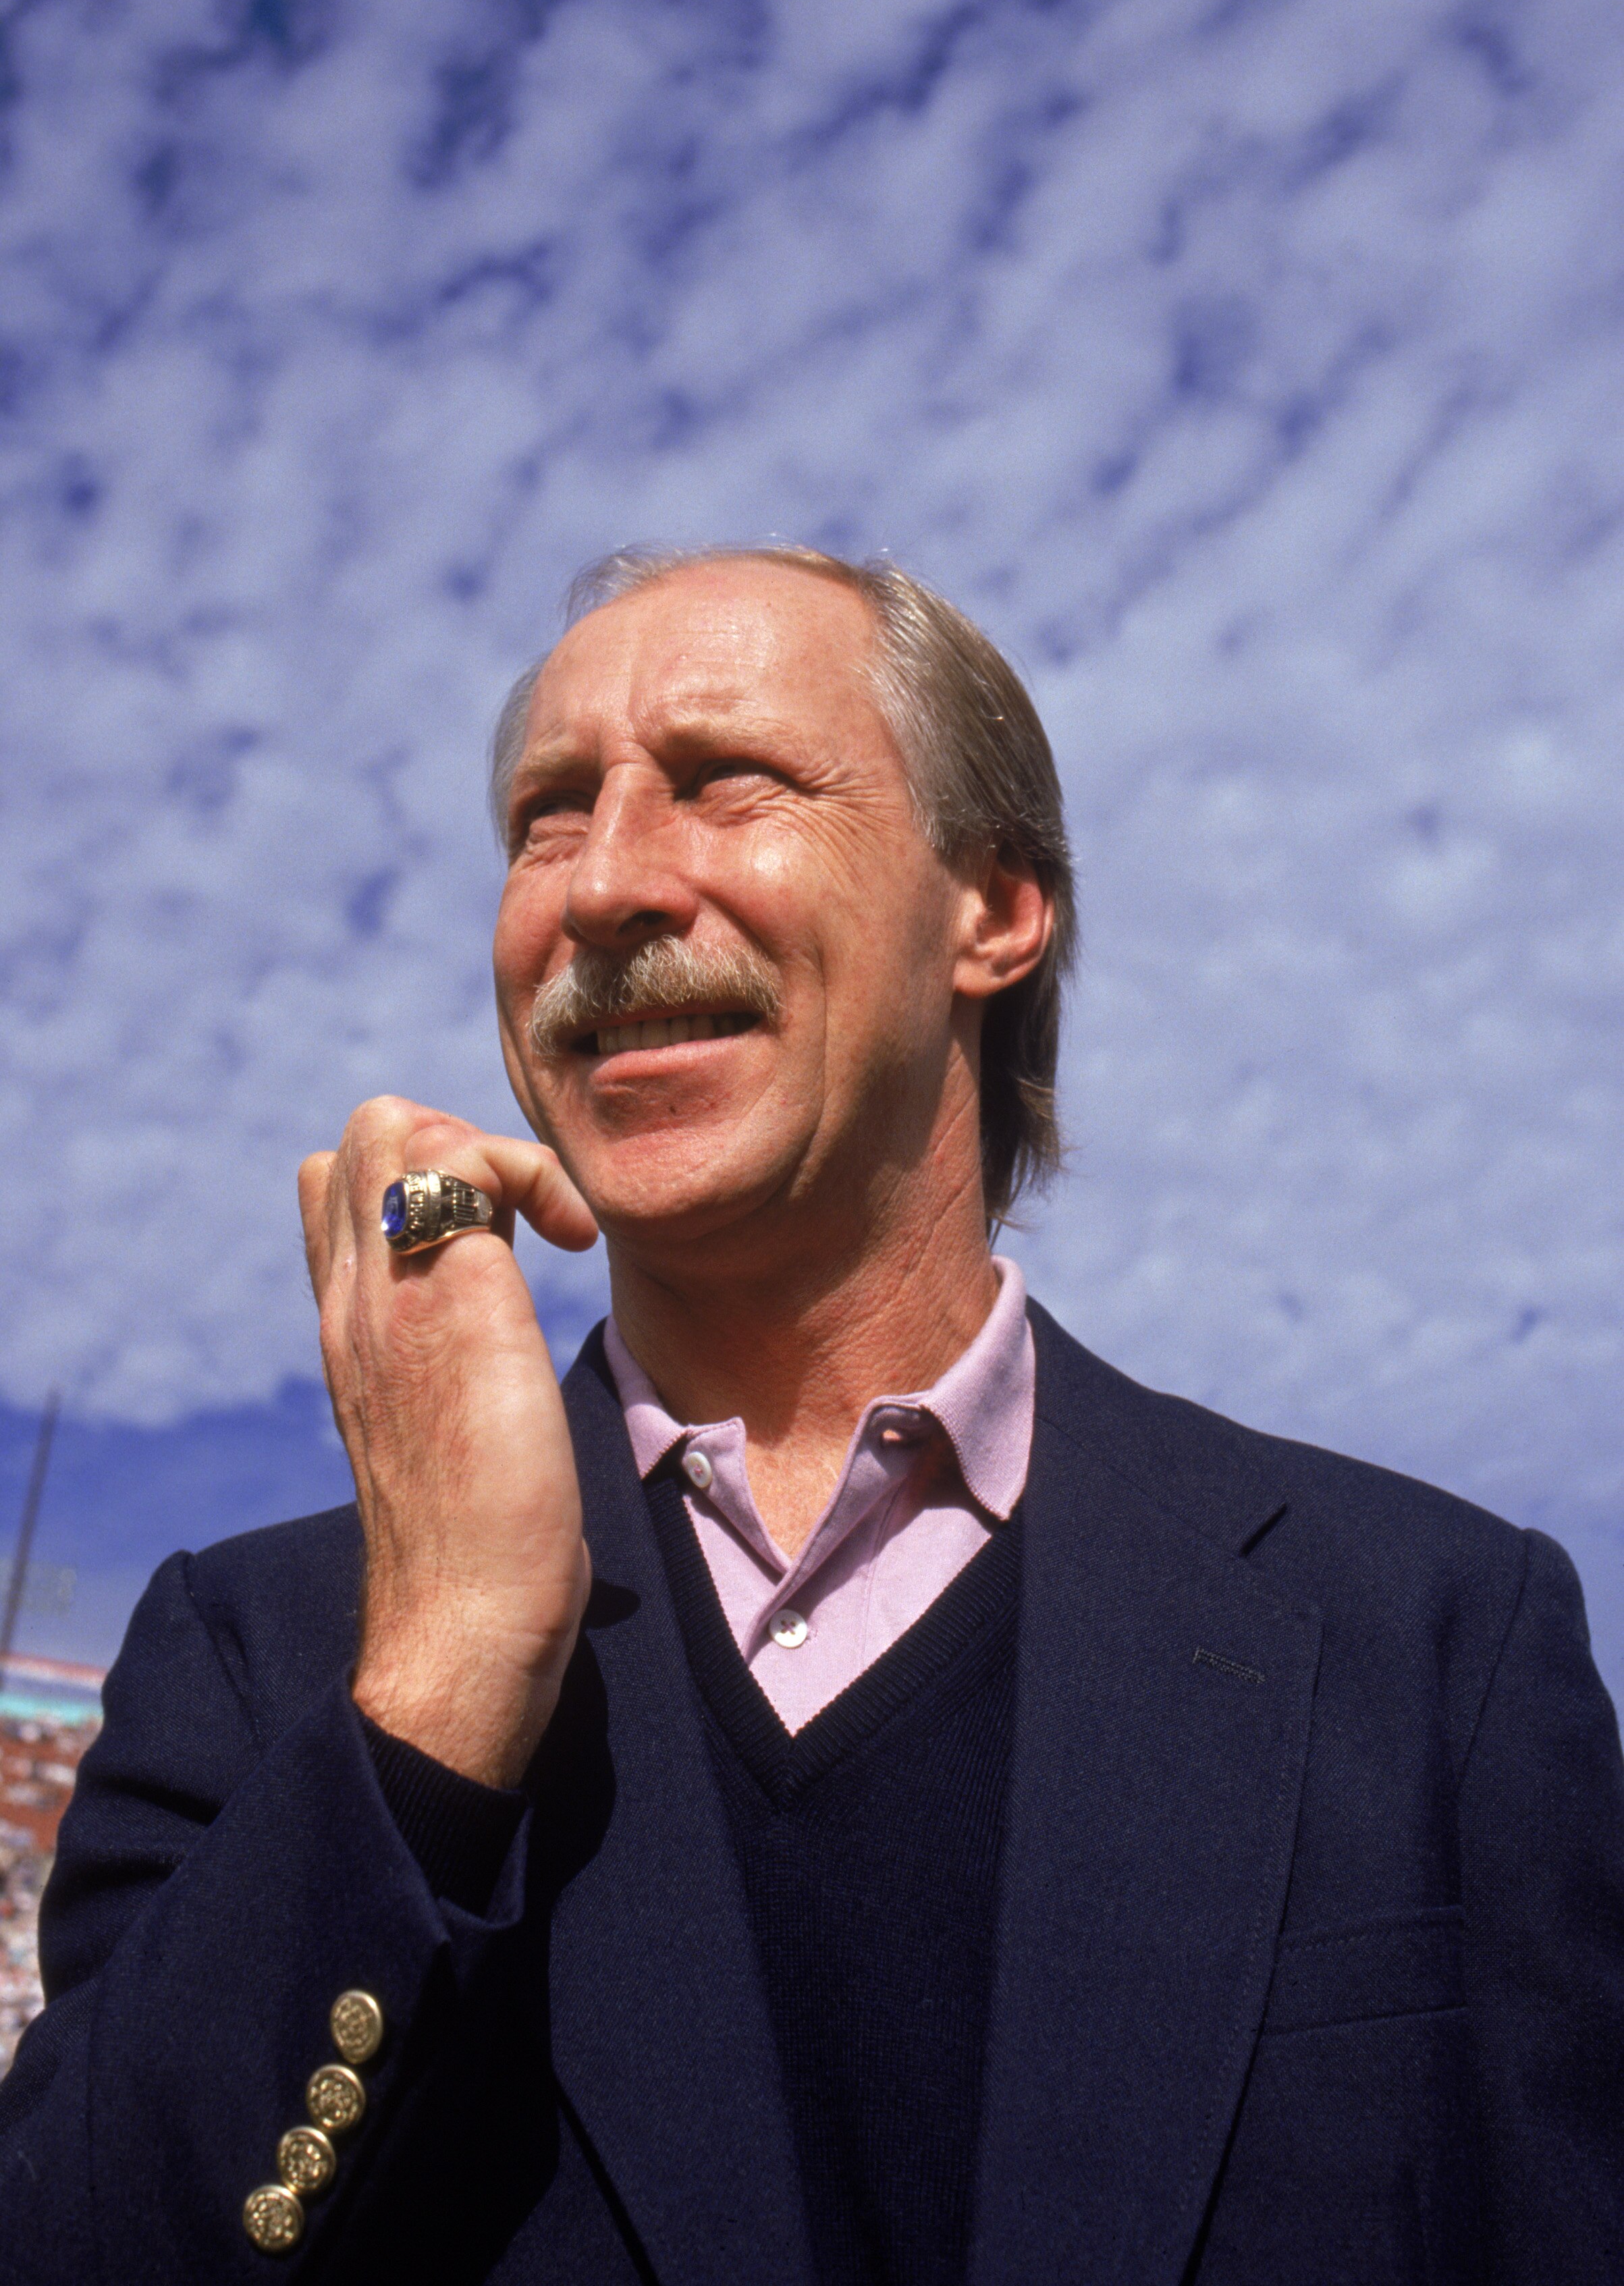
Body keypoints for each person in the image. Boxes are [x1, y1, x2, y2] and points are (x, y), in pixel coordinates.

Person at [1, 547, 1620, 2285]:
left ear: (993, 908)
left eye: (727, 785)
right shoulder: (262, 1661)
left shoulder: (1432, 1644)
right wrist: (449, 1674)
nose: (604, 886)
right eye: (550, 817)